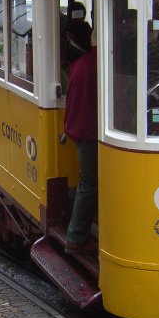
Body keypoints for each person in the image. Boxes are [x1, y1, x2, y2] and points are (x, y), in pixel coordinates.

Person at [62, 24, 98, 255]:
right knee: (90, 185)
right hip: (90, 133)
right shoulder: (100, 65)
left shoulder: (80, 64)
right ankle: (75, 236)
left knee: (88, 183)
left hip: (80, 130)